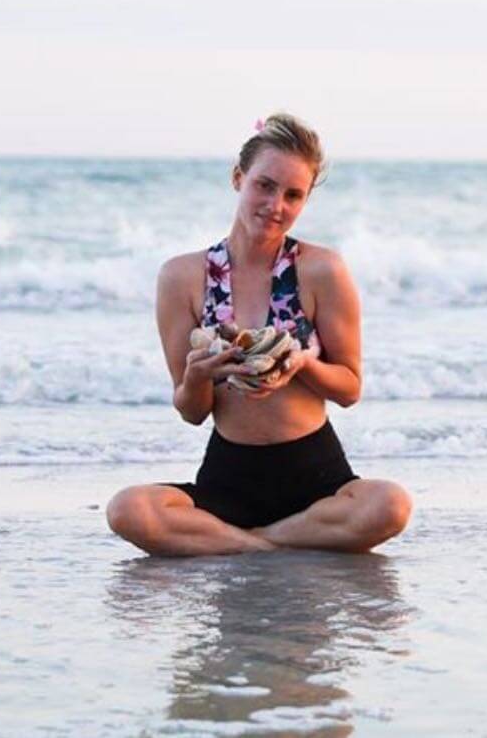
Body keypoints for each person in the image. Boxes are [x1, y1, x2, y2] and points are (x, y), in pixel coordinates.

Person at [106, 114, 413, 557]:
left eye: (293, 195)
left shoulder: (322, 269)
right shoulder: (182, 277)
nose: (276, 205)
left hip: (317, 477)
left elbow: (349, 388)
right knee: (128, 510)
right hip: (229, 477)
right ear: (238, 178)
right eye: (264, 186)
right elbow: (191, 412)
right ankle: (274, 544)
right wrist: (196, 377)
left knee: (392, 505)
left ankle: (244, 545)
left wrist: (303, 364)